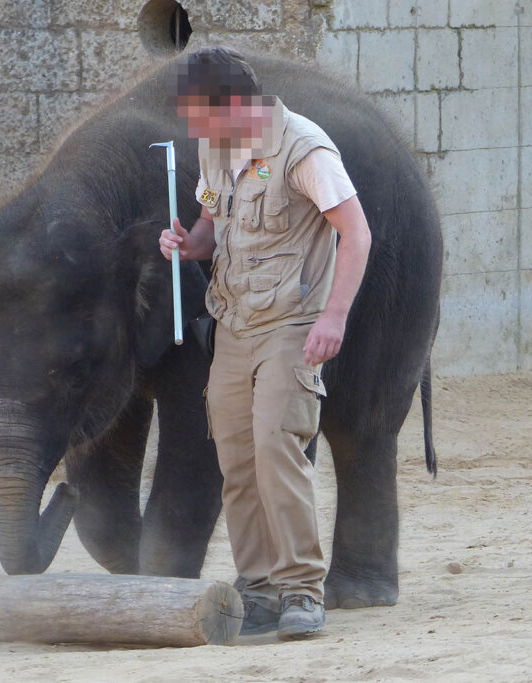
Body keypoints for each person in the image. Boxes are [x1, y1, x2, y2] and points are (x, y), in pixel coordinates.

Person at [159, 47, 372, 640]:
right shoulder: (215, 147)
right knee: (237, 457)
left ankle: (302, 590)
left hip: (292, 325)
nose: (192, 128)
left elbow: (356, 233)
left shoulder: (305, 149)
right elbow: (211, 224)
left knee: (278, 448)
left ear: (228, 105)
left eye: (198, 115)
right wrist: (188, 243)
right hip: (234, 324)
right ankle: (258, 589)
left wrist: (335, 317)